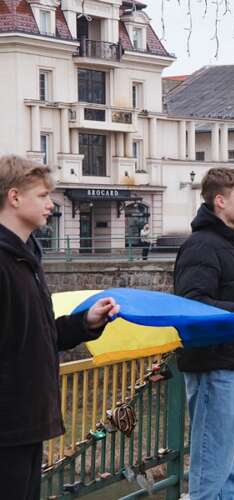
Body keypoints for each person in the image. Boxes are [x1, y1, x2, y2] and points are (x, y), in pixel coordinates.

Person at [0, 155, 118, 500]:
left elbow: (36, 337)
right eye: (42, 196)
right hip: (8, 423)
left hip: (24, 419)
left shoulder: (26, 257)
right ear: (14, 197)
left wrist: (86, 323)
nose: (51, 204)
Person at [174, 167, 234, 500]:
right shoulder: (202, 246)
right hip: (211, 365)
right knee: (213, 459)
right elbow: (192, 304)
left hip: (231, 361)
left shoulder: (231, 244)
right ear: (219, 200)